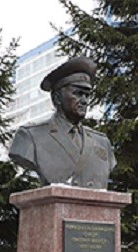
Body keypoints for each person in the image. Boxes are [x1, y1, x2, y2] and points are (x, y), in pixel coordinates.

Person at [8, 56, 116, 190]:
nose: (84, 101)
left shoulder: (102, 142)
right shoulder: (31, 136)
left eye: (87, 95)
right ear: (57, 98)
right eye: (77, 93)